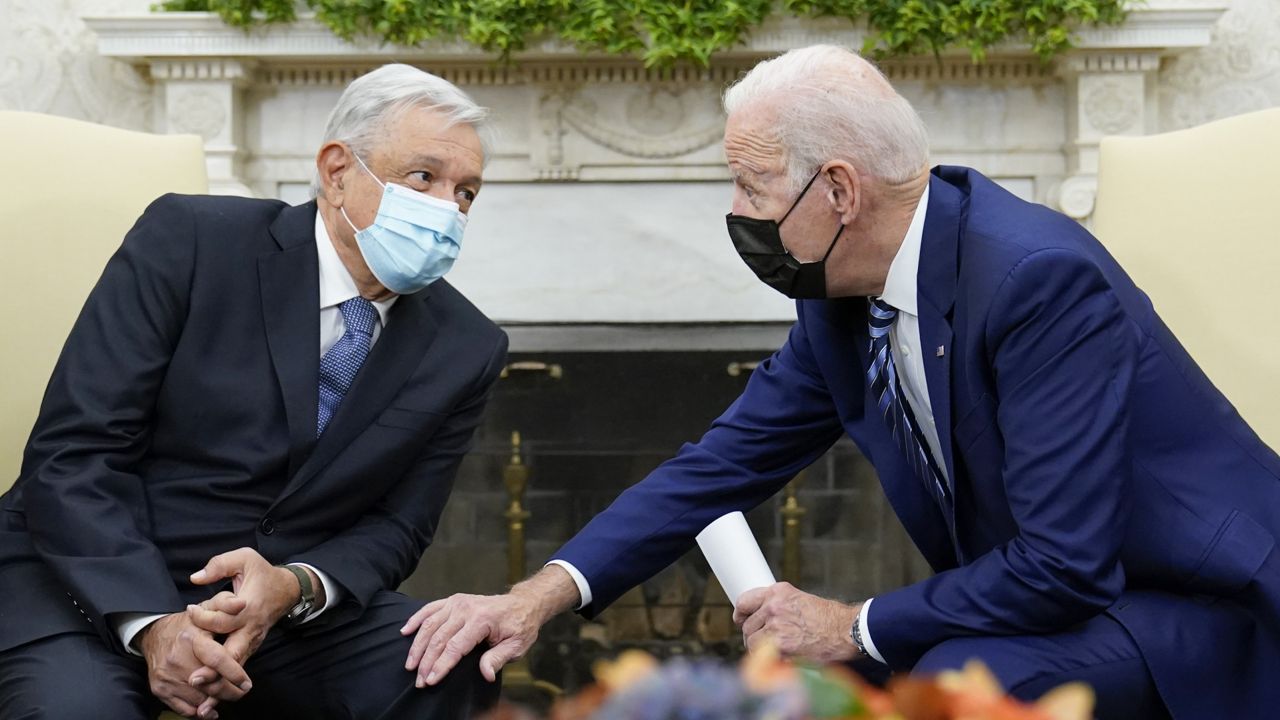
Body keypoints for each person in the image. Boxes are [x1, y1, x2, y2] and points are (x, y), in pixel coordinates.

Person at [400, 45, 1280, 720]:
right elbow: (716, 467)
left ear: (839, 191)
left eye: (749, 185)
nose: (736, 215)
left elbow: (1064, 566)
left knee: (938, 681)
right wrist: (532, 599)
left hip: (1194, 607)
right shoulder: (843, 300)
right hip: (1066, 594)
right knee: (801, 681)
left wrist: (849, 623)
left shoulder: (1033, 280)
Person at [0, 64, 508, 719]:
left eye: (466, 192)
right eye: (424, 178)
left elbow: (398, 526)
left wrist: (294, 588)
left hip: (277, 615)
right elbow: (75, 453)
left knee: (445, 663)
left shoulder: (466, 345)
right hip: (88, 582)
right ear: (336, 170)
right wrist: (154, 621)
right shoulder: (190, 240)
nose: (448, 209)